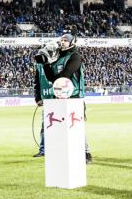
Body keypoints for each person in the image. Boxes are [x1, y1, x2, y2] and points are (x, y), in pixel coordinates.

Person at [33, 33, 91, 163]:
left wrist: (53, 69)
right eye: (62, 40)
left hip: (74, 96)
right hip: (59, 97)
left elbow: (66, 74)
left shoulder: (75, 56)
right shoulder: (58, 57)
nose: (63, 42)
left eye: (65, 40)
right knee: (60, 127)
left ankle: (86, 153)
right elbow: (51, 78)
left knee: (76, 126)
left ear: (71, 42)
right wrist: (46, 63)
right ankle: (63, 153)